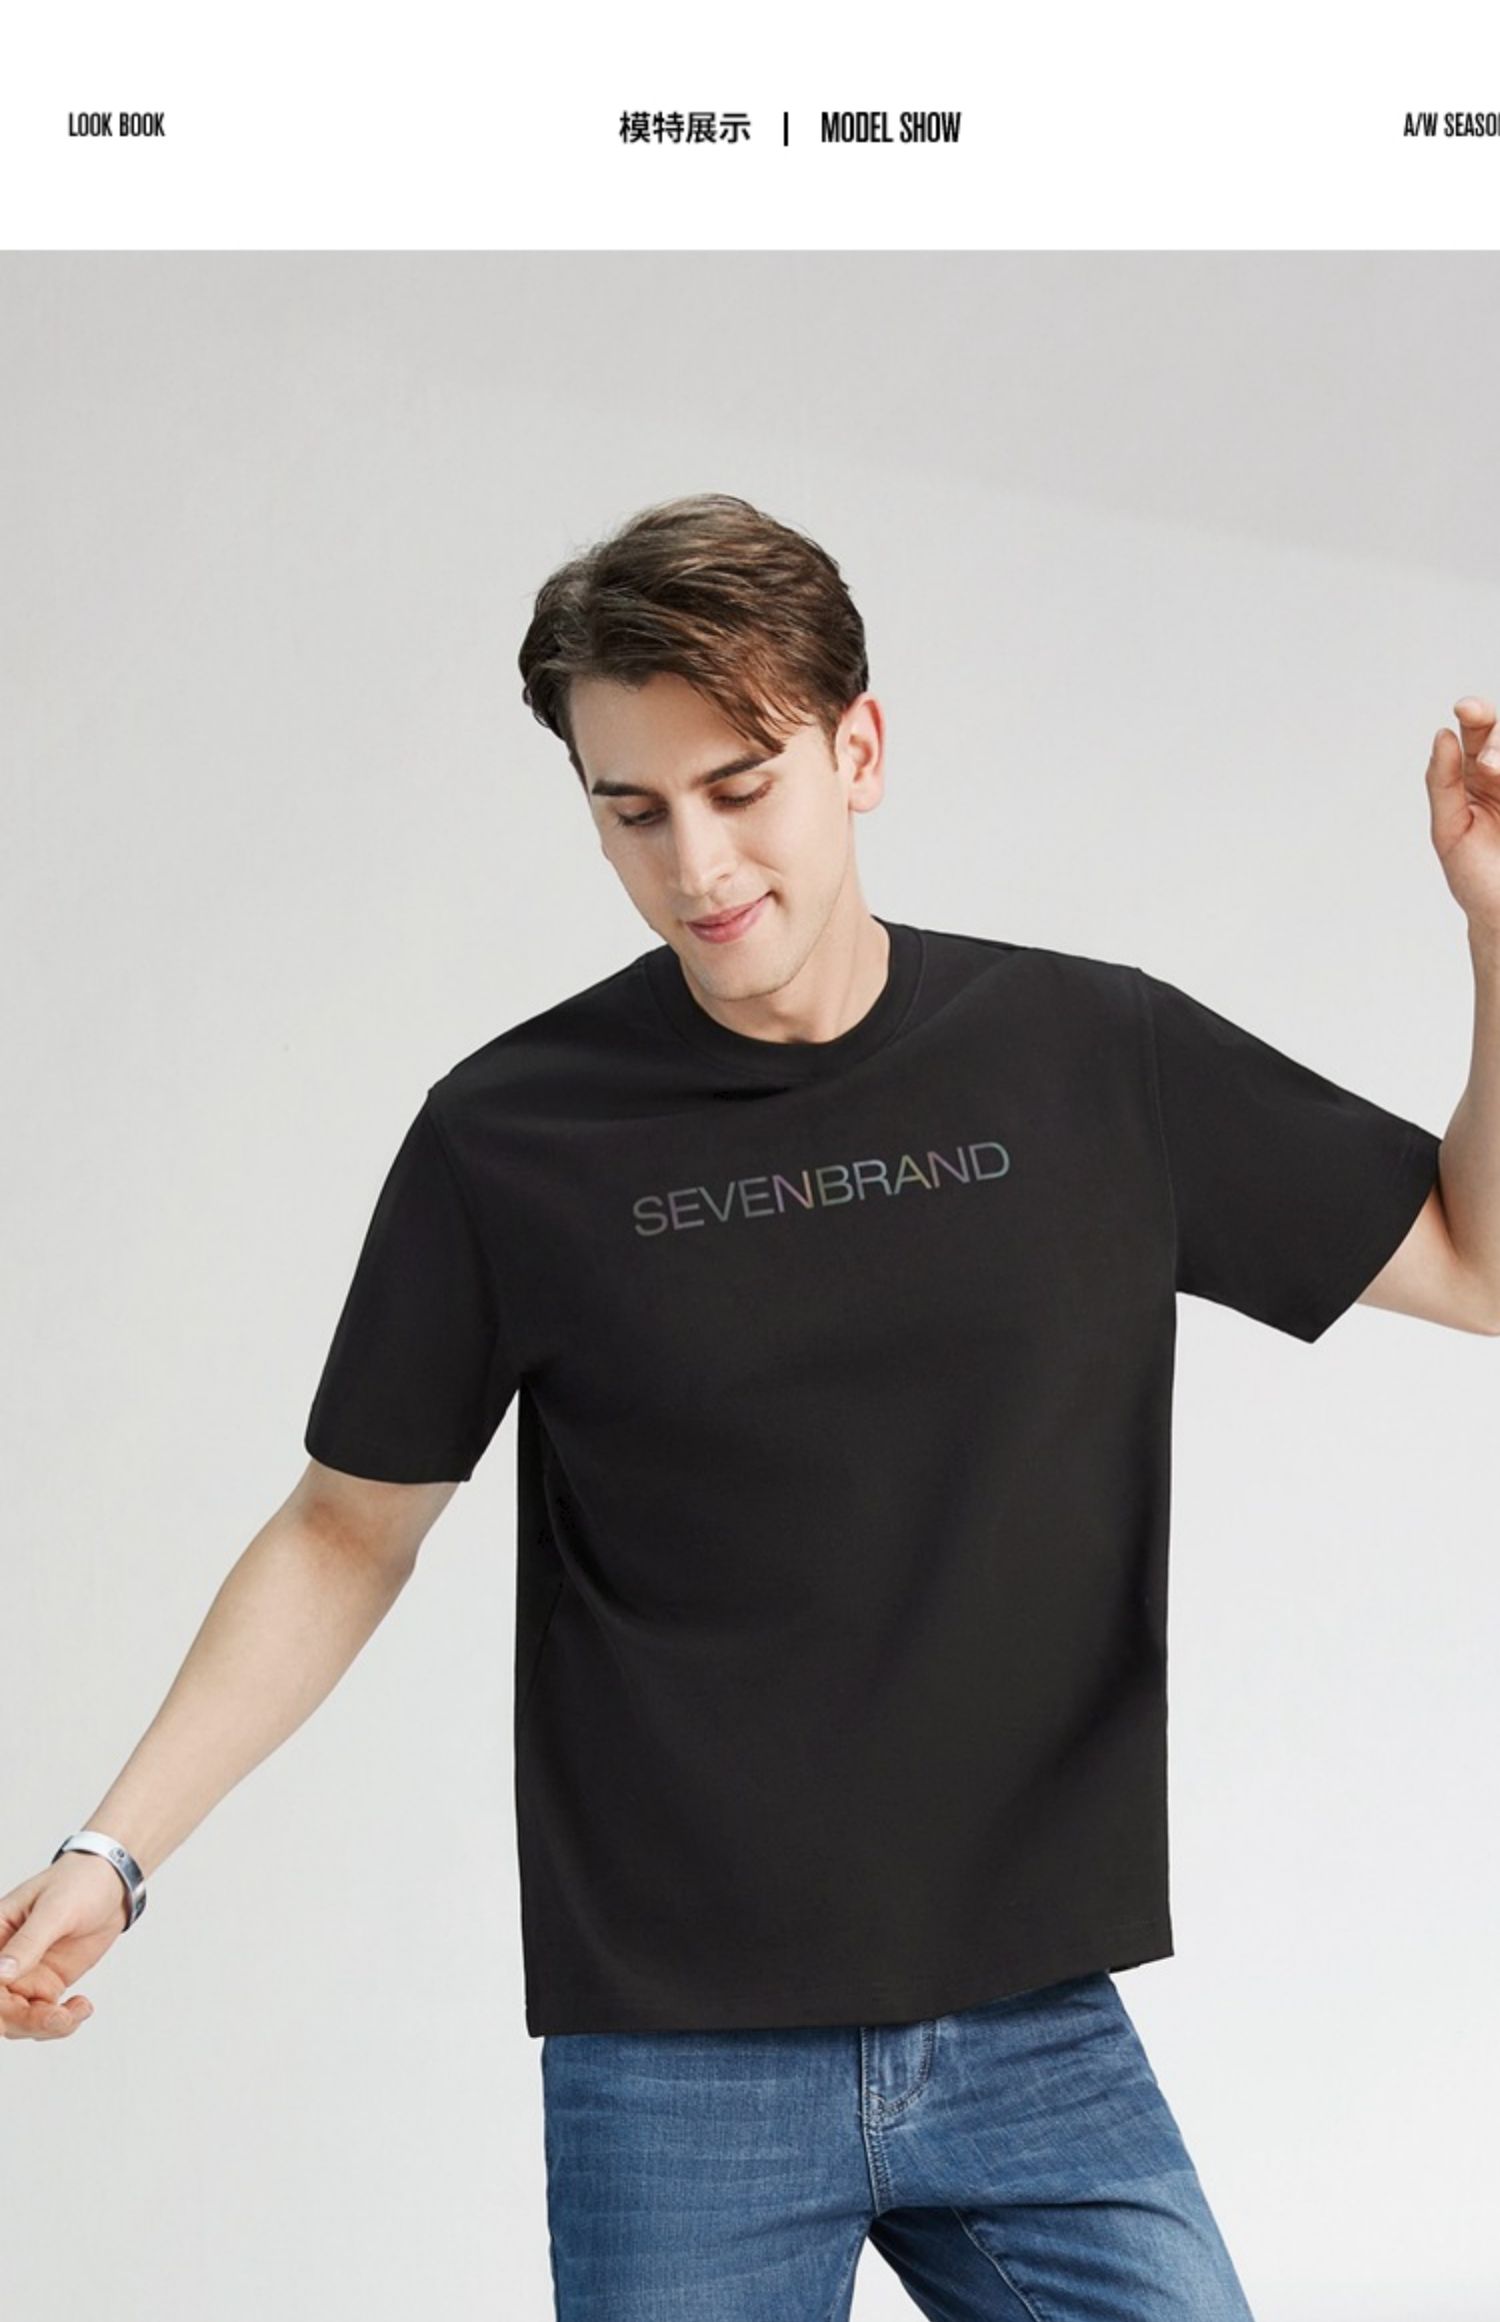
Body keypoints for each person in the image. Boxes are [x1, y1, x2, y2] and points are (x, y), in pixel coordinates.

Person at [5, 491, 1497, 2322]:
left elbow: (1478, 1261)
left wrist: (1497, 932)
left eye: (738, 785)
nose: (695, 863)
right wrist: (114, 1851)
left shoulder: (1093, 1058)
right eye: (632, 810)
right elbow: (342, 1527)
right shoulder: (511, 1136)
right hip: (677, 2064)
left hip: (1032, 2023)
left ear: (857, 750)